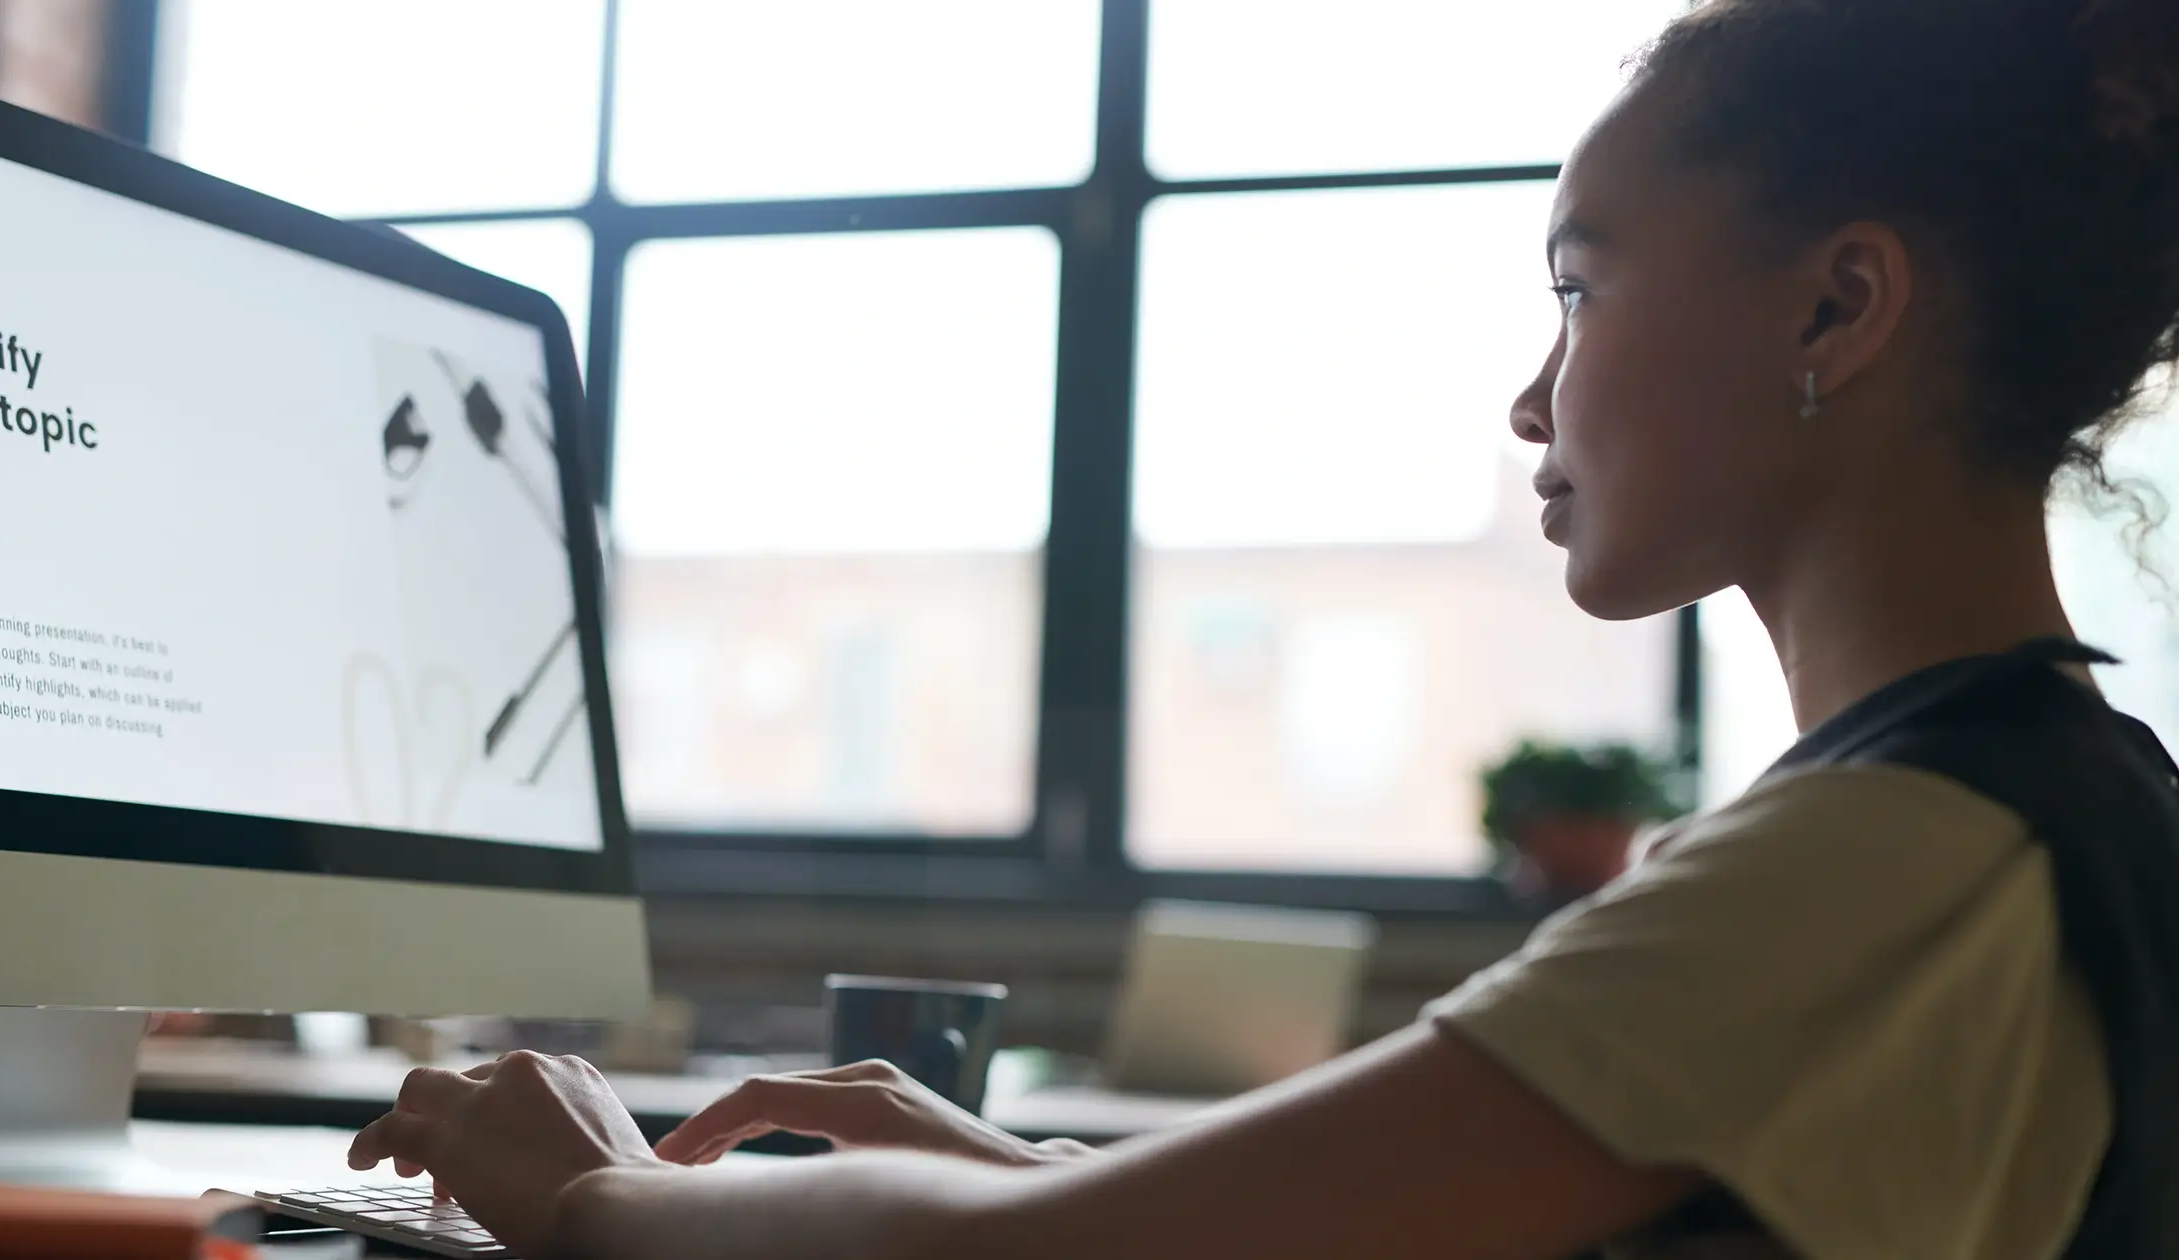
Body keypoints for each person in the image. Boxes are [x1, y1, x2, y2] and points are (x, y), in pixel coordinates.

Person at [346, 0, 2179, 1255]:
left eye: (1579, 288)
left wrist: (601, 1199)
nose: (1532, 400)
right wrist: (1013, 1167)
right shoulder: (2061, 809)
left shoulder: (1892, 861)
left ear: (1838, 309)